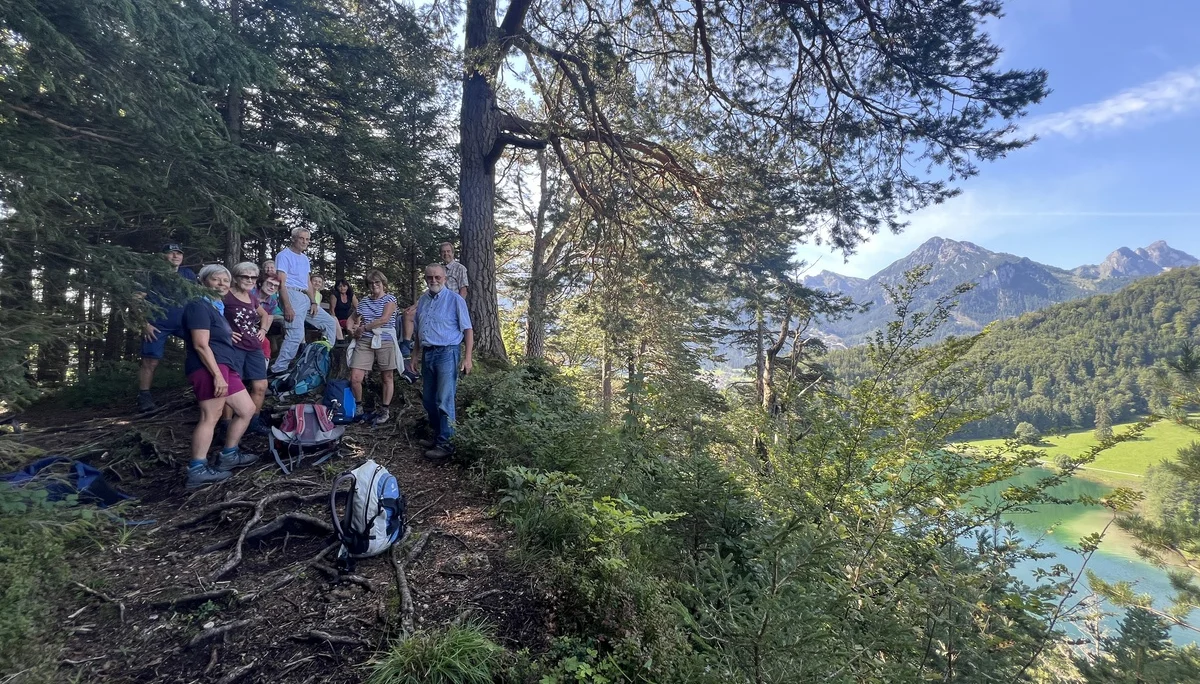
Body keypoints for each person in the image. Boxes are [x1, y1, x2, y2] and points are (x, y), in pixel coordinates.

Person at [182, 265, 259, 487]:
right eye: (217, 280)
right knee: (211, 416)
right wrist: (217, 375)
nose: (223, 284)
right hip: (208, 367)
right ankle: (197, 468)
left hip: (225, 366)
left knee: (247, 409)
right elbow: (200, 344)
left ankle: (229, 454)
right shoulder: (198, 306)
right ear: (204, 282)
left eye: (226, 280)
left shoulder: (215, 307)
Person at [412, 263, 473, 461]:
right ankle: (438, 436)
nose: (434, 280)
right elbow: (418, 331)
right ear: (425, 279)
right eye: (430, 277)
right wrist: (415, 355)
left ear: (444, 278)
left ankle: (446, 444)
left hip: (448, 353)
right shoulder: (423, 301)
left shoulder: (455, 300)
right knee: (429, 400)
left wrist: (468, 357)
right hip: (428, 353)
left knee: (444, 399)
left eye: (437, 277)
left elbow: (467, 330)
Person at [136, 243, 198, 413]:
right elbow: (137, 300)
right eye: (171, 253)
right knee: (150, 361)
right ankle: (144, 396)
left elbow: (197, 297)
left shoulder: (187, 274)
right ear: (162, 256)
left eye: (179, 253)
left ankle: (200, 389)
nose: (175, 256)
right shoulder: (150, 274)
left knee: (201, 350)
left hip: (185, 323)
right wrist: (144, 324)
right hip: (156, 325)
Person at [271, 228, 339, 373]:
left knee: (329, 322)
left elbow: (307, 281)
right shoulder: (284, 256)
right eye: (302, 238)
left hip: (305, 297)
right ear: (294, 239)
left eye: (307, 239)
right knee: (295, 334)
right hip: (291, 294)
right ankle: (278, 369)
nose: (305, 242)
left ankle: (324, 357)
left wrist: (313, 301)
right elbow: (281, 283)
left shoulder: (304, 258)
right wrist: (287, 306)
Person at [223, 262, 272, 435]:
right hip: (233, 347)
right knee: (232, 386)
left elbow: (265, 314)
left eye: (253, 277)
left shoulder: (251, 297)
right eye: (245, 276)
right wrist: (225, 332)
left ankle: (253, 423)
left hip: (254, 346)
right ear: (236, 277)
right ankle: (226, 426)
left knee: (260, 385)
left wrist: (263, 330)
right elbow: (213, 315)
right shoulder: (226, 295)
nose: (250, 280)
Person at [349, 270, 399, 426]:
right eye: (371, 283)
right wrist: (351, 331)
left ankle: (385, 409)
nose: (374, 285)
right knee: (355, 377)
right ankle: (358, 407)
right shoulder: (364, 301)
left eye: (377, 282)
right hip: (365, 341)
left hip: (385, 339)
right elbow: (352, 318)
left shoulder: (390, 299)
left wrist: (363, 328)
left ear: (383, 284)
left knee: (387, 377)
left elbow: (384, 319)